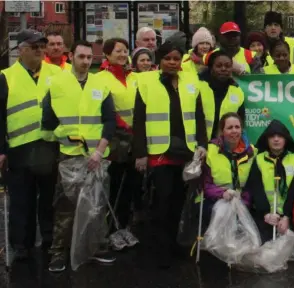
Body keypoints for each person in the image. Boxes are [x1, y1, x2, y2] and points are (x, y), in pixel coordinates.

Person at [132, 37, 208, 268]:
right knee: (161, 200)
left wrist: (202, 144)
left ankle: (175, 243)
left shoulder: (190, 82)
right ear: (160, 60)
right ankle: (159, 247)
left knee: (178, 201)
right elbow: (139, 121)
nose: (173, 63)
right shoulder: (146, 83)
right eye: (168, 58)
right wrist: (140, 153)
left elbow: (199, 116)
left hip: (184, 151)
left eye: (176, 58)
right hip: (158, 152)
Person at [42, 40, 117, 272]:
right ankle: (58, 253)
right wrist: (68, 139)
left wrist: (98, 151)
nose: (86, 61)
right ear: (71, 56)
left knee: (96, 206)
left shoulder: (100, 84)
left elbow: (109, 121)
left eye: (89, 58)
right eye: (81, 57)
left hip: (96, 158)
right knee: (65, 207)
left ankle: (96, 248)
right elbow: (48, 123)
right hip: (69, 157)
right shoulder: (56, 84)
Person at [0, 29, 61, 261]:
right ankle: (20, 244)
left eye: (41, 47)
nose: (40, 51)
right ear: (21, 50)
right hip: (19, 149)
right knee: (21, 201)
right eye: (35, 47)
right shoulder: (6, 77)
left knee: (48, 200)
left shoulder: (56, 73)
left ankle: (48, 240)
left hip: (49, 147)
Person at [96, 38, 141, 249]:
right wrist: (123, 127)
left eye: (125, 51)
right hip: (115, 140)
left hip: (135, 140)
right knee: (114, 186)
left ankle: (124, 226)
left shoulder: (134, 78)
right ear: (107, 54)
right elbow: (105, 110)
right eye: (118, 51)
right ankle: (111, 229)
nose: (123, 54)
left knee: (131, 186)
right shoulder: (101, 78)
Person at [245, 120, 294, 243]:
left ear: (286, 139)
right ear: (267, 139)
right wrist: (266, 213)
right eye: (272, 136)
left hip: (288, 217)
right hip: (266, 216)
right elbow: (255, 188)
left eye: (280, 136)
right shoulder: (259, 159)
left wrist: (287, 216)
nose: (276, 139)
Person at [202, 112, 255, 225]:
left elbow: (253, 185)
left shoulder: (252, 152)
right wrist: (222, 194)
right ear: (222, 131)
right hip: (215, 202)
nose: (234, 131)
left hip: (244, 205)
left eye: (237, 127)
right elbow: (205, 185)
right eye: (230, 128)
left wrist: (243, 201)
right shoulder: (211, 151)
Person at [199, 50, 245, 140]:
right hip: (198, 144)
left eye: (227, 66)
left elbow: (240, 122)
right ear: (211, 68)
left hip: (224, 146)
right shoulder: (198, 87)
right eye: (219, 66)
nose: (223, 69)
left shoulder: (237, 91)